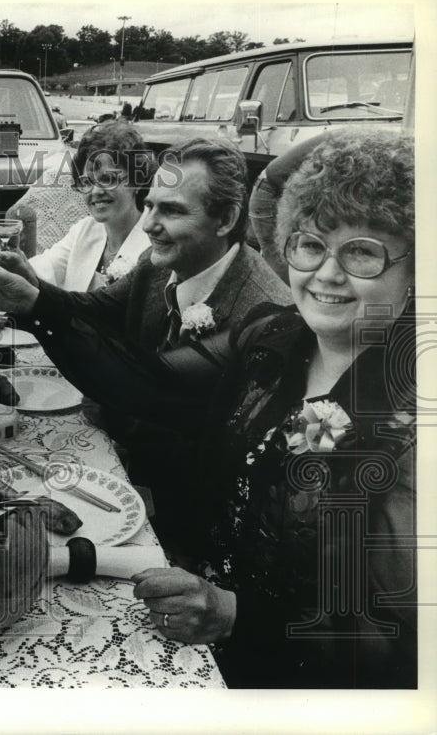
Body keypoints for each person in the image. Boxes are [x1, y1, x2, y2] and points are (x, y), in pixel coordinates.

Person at [88, 130, 415, 688]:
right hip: (190, 625)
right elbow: (205, 467)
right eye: (310, 244)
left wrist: (236, 614)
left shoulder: (411, 432)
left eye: (362, 251)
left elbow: (401, 645)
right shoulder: (275, 339)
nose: (327, 274)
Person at [0, 137, 291, 545]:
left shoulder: (263, 311)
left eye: (171, 210)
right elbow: (95, 309)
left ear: (227, 218)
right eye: (150, 205)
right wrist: (31, 284)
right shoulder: (161, 263)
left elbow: (144, 386)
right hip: (136, 471)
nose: (148, 225)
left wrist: (33, 305)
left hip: (200, 520)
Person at [28, 121, 155, 291]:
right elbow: (41, 271)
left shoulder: (155, 242)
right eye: (86, 181)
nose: (95, 191)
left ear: (137, 181)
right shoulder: (84, 230)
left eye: (108, 179)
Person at [246, 132, 330, 281]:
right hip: (268, 191)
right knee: (278, 254)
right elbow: (275, 173)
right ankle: (279, 296)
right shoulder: (338, 141)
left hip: (274, 186)